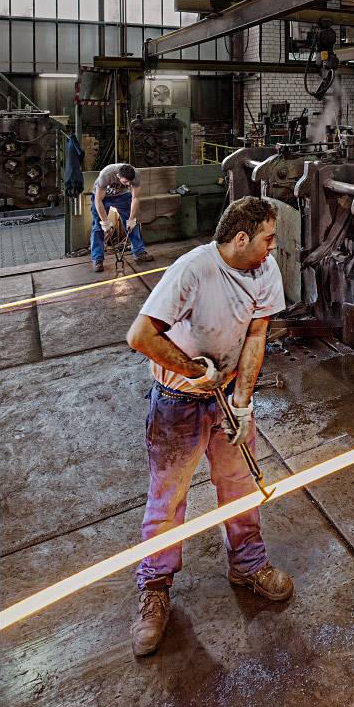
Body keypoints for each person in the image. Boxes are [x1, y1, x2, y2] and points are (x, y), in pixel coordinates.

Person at [125, 197, 292, 657]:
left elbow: (256, 334)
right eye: (267, 239)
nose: (272, 248)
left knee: (238, 487)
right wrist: (196, 370)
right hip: (178, 403)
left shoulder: (265, 271)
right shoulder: (193, 270)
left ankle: (247, 564)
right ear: (241, 238)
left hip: (228, 401)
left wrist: (243, 403)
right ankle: (155, 588)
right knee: (169, 498)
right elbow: (140, 336)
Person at [91, 163, 155, 271]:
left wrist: (131, 219)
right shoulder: (106, 174)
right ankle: (98, 259)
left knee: (132, 225)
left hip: (122, 196)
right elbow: (98, 201)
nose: (129, 184)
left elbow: (135, 198)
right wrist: (105, 222)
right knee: (98, 227)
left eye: (130, 182)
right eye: (125, 182)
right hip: (103, 197)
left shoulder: (136, 175)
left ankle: (139, 252)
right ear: (117, 176)